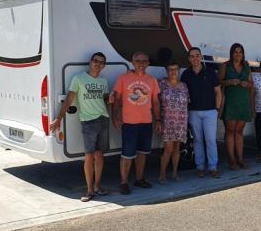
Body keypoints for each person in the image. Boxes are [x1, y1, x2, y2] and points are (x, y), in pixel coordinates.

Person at [49, 52, 111, 202]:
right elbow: (69, 99)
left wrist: (111, 99)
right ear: (90, 62)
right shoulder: (79, 79)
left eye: (101, 62)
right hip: (88, 122)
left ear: (103, 66)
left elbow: (105, 100)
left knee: (100, 155)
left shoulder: (103, 81)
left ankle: (97, 186)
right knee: (89, 156)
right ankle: (89, 190)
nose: (97, 64)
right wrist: (58, 118)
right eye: (95, 61)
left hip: (103, 120)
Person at [112, 52, 161, 195]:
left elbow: (156, 102)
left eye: (144, 61)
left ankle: (139, 179)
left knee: (142, 153)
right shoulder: (123, 78)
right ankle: (124, 182)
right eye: (138, 60)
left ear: (148, 64)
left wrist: (158, 120)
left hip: (147, 122)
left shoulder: (151, 80)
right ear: (132, 62)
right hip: (129, 123)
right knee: (127, 155)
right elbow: (116, 98)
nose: (141, 63)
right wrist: (115, 117)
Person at [181, 47, 222, 178]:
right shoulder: (186, 74)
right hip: (193, 112)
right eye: (192, 56)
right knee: (198, 141)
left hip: (210, 111)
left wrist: (216, 109)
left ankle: (213, 167)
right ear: (189, 59)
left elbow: (218, 92)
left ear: (201, 57)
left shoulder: (210, 72)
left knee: (210, 140)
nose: (195, 58)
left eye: (197, 55)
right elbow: (183, 94)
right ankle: (200, 167)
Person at [219, 43, 254, 170]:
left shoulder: (246, 66)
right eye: (235, 51)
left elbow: (251, 84)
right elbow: (219, 82)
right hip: (230, 102)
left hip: (243, 102)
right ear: (231, 53)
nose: (238, 54)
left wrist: (247, 84)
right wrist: (229, 82)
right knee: (229, 131)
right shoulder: (225, 66)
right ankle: (231, 160)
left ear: (243, 54)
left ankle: (240, 158)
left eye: (240, 52)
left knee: (239, 132)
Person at [157, 62, 189, 184]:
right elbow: (156, 101)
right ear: (166, 71)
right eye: (170, 69)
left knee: (177, 148)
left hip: (181, 121)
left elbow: (186, 103)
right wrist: (158, 120)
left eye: (175, 69)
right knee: (168, 149)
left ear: (179, 70)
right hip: (167, 121)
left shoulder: (184, 86)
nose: (173, 72)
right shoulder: (161, 84)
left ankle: (175, 173)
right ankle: (162, 174)